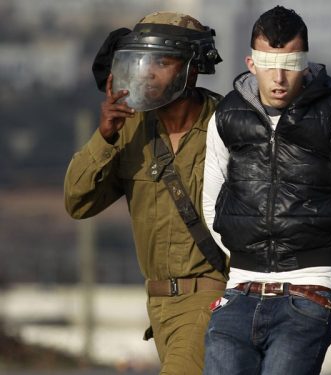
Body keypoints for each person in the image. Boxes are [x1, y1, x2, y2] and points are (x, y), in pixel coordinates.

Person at [201, 6, 331, 375]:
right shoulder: (224, 118)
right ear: (251, 63)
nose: (280, 76)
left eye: (291, 63)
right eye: (269, 63)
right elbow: (212, 206)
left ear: (305, 64)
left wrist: (322, 272)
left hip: (307, 299)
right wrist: (248, 258)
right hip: (238, 292)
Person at [63, 12, 226, 374]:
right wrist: (104, 136)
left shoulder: (229, 124)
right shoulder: (129, 128)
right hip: (158, 306)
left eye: (162, 63)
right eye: (143, 61)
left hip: (213, 299)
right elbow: (77, 201)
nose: (148, 72)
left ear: (192, 69)